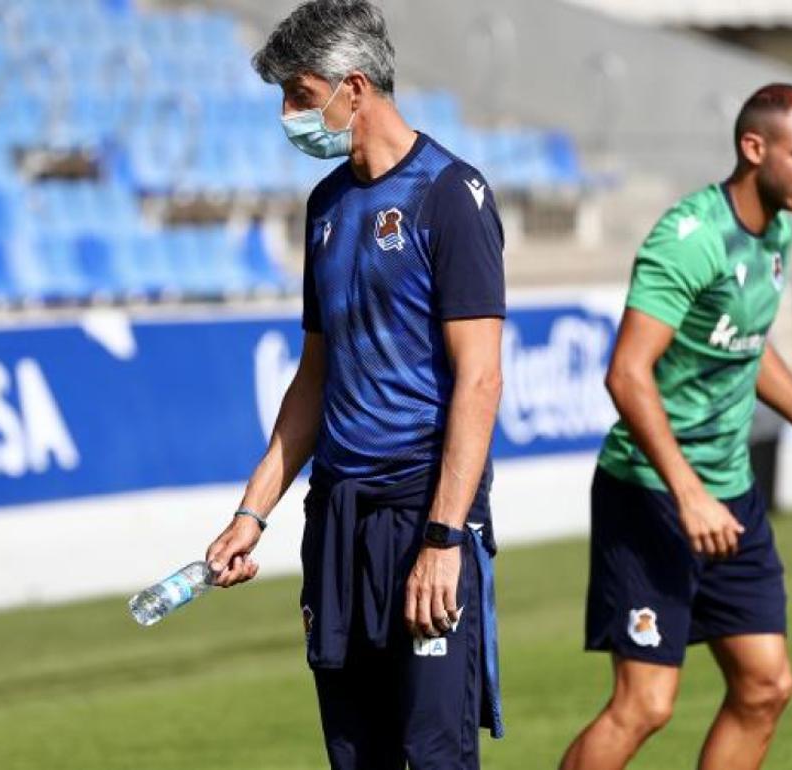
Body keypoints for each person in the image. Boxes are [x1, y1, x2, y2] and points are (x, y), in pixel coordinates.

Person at [203, 2, 507, 767]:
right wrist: (252, 512)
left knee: (434, 755)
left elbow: (479, 379)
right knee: (354, 755)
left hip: (422, 513)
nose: (289, 116)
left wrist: (444, 538)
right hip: (337, 518)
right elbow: (314, 377)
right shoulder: (327, 206)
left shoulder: (450, 195)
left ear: (355, 88)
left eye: (300, 96)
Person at [560, 83, 792, 770]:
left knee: (766, 685)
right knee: (645, 705)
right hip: (652, 494)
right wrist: (688, 494)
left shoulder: (776, 230)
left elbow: (747, 341)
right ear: (754, 148)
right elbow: (627, 374)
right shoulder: (690, 238)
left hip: (729, 495)